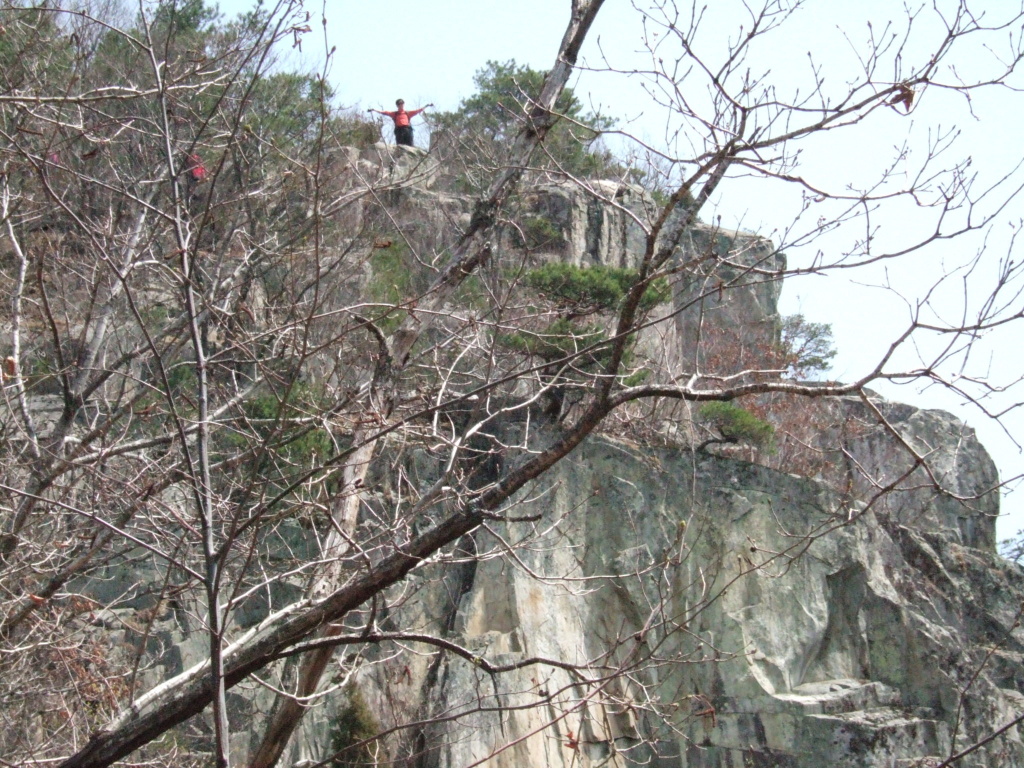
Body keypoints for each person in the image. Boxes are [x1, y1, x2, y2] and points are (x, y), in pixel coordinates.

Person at [368, 99, 433, 147]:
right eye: (399, 104)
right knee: (400, 145)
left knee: (410, 145)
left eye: (402, 104)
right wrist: (374, 110)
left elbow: (417, 111)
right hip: (399, 130)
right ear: (397, 105)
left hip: (407, 129)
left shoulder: (407, 113)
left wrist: (426, 106)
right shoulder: (394, 114)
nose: (401, 105)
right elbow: (385, 112)